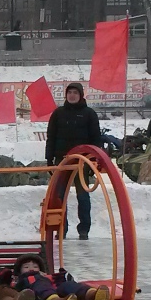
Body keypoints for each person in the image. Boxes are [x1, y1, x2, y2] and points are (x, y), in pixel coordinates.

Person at [45, 83, 101, 240]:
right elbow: (51, 136)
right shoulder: (58, 114)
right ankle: (61, 228)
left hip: (83, 161)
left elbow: (96, 138)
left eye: (75, 92)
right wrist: (49, 158)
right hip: (62, 160)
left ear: (81, 95)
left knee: (83, 196)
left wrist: (94, 160)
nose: (72, 95)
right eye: (69, 92)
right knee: (59, 196)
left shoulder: (89, 114)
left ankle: (84, 229)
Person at [10, 254, 110, 300]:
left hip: (57, 292)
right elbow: (13, 288)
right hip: (36, 296)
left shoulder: (46, 277)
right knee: (40, 283)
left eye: (35, 267)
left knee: (67, 285)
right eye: (26, 267)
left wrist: (62, 277)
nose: (31, 269)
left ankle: (91, 294)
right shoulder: (21, 280)